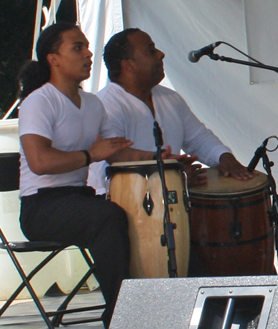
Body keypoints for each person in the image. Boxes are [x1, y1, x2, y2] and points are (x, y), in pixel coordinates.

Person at [16, 22, 162, 328]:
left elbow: (116, 151)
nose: (88, 53)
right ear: (53, 58)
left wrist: (159, 159)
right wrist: (89, 155)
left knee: (133, 215)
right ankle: (121, 314)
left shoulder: (93, 103)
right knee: (108, 217)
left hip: (77, 201)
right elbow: (40, 161)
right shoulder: (39, 101)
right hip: (40, 208)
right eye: (77, 47)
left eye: (87, 46)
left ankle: (151, 303)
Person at [88, 28, 252, 195]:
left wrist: (224, 157)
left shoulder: (170, 98)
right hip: (121, 206)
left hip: (172, 204)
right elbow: (109, 169)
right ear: (129, 66)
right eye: (151, 51)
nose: (161, 54)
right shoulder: (105, 106)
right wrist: (172, 175)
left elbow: (198, 138)